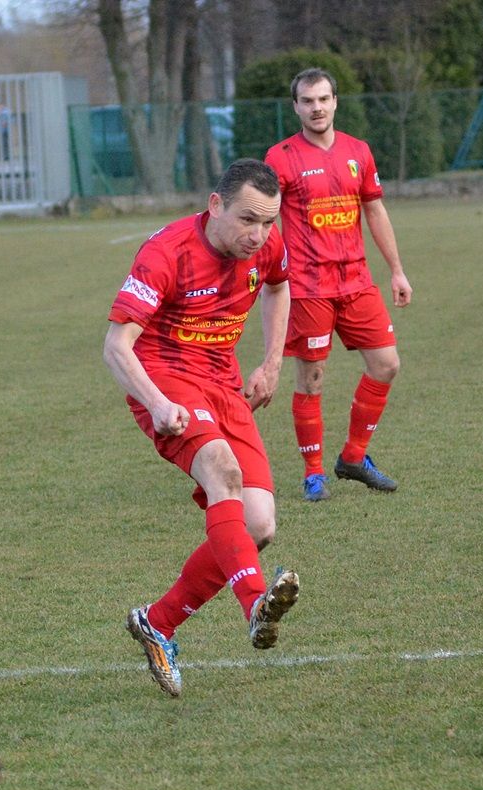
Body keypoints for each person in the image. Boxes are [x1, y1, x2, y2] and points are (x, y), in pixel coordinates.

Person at [105, 158, 301, 698]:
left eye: (267, 222)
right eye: (247, 220)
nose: (258, 235)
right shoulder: (166, 253)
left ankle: (158, 622)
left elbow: (279, 287)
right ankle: (257, 604)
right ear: (215, 205)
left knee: (258, 524)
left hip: (224, 382)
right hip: (165, 379)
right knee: (223, 471)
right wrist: (156, 401)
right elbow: (116, 346)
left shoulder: (268, 244)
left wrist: (271, 364)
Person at [264, 68, 413, 502]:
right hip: (308, 287)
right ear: (296, 107)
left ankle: (353, 457)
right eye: (308, 101)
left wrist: (397, 270)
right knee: (311, 378)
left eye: (324, 99)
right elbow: (267, 221)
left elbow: (376, 211)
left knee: (386, 365)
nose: (317, 107)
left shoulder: (358, 151)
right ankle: (313, 475)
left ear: (335, 102)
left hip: (357, 282)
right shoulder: (281, 157)